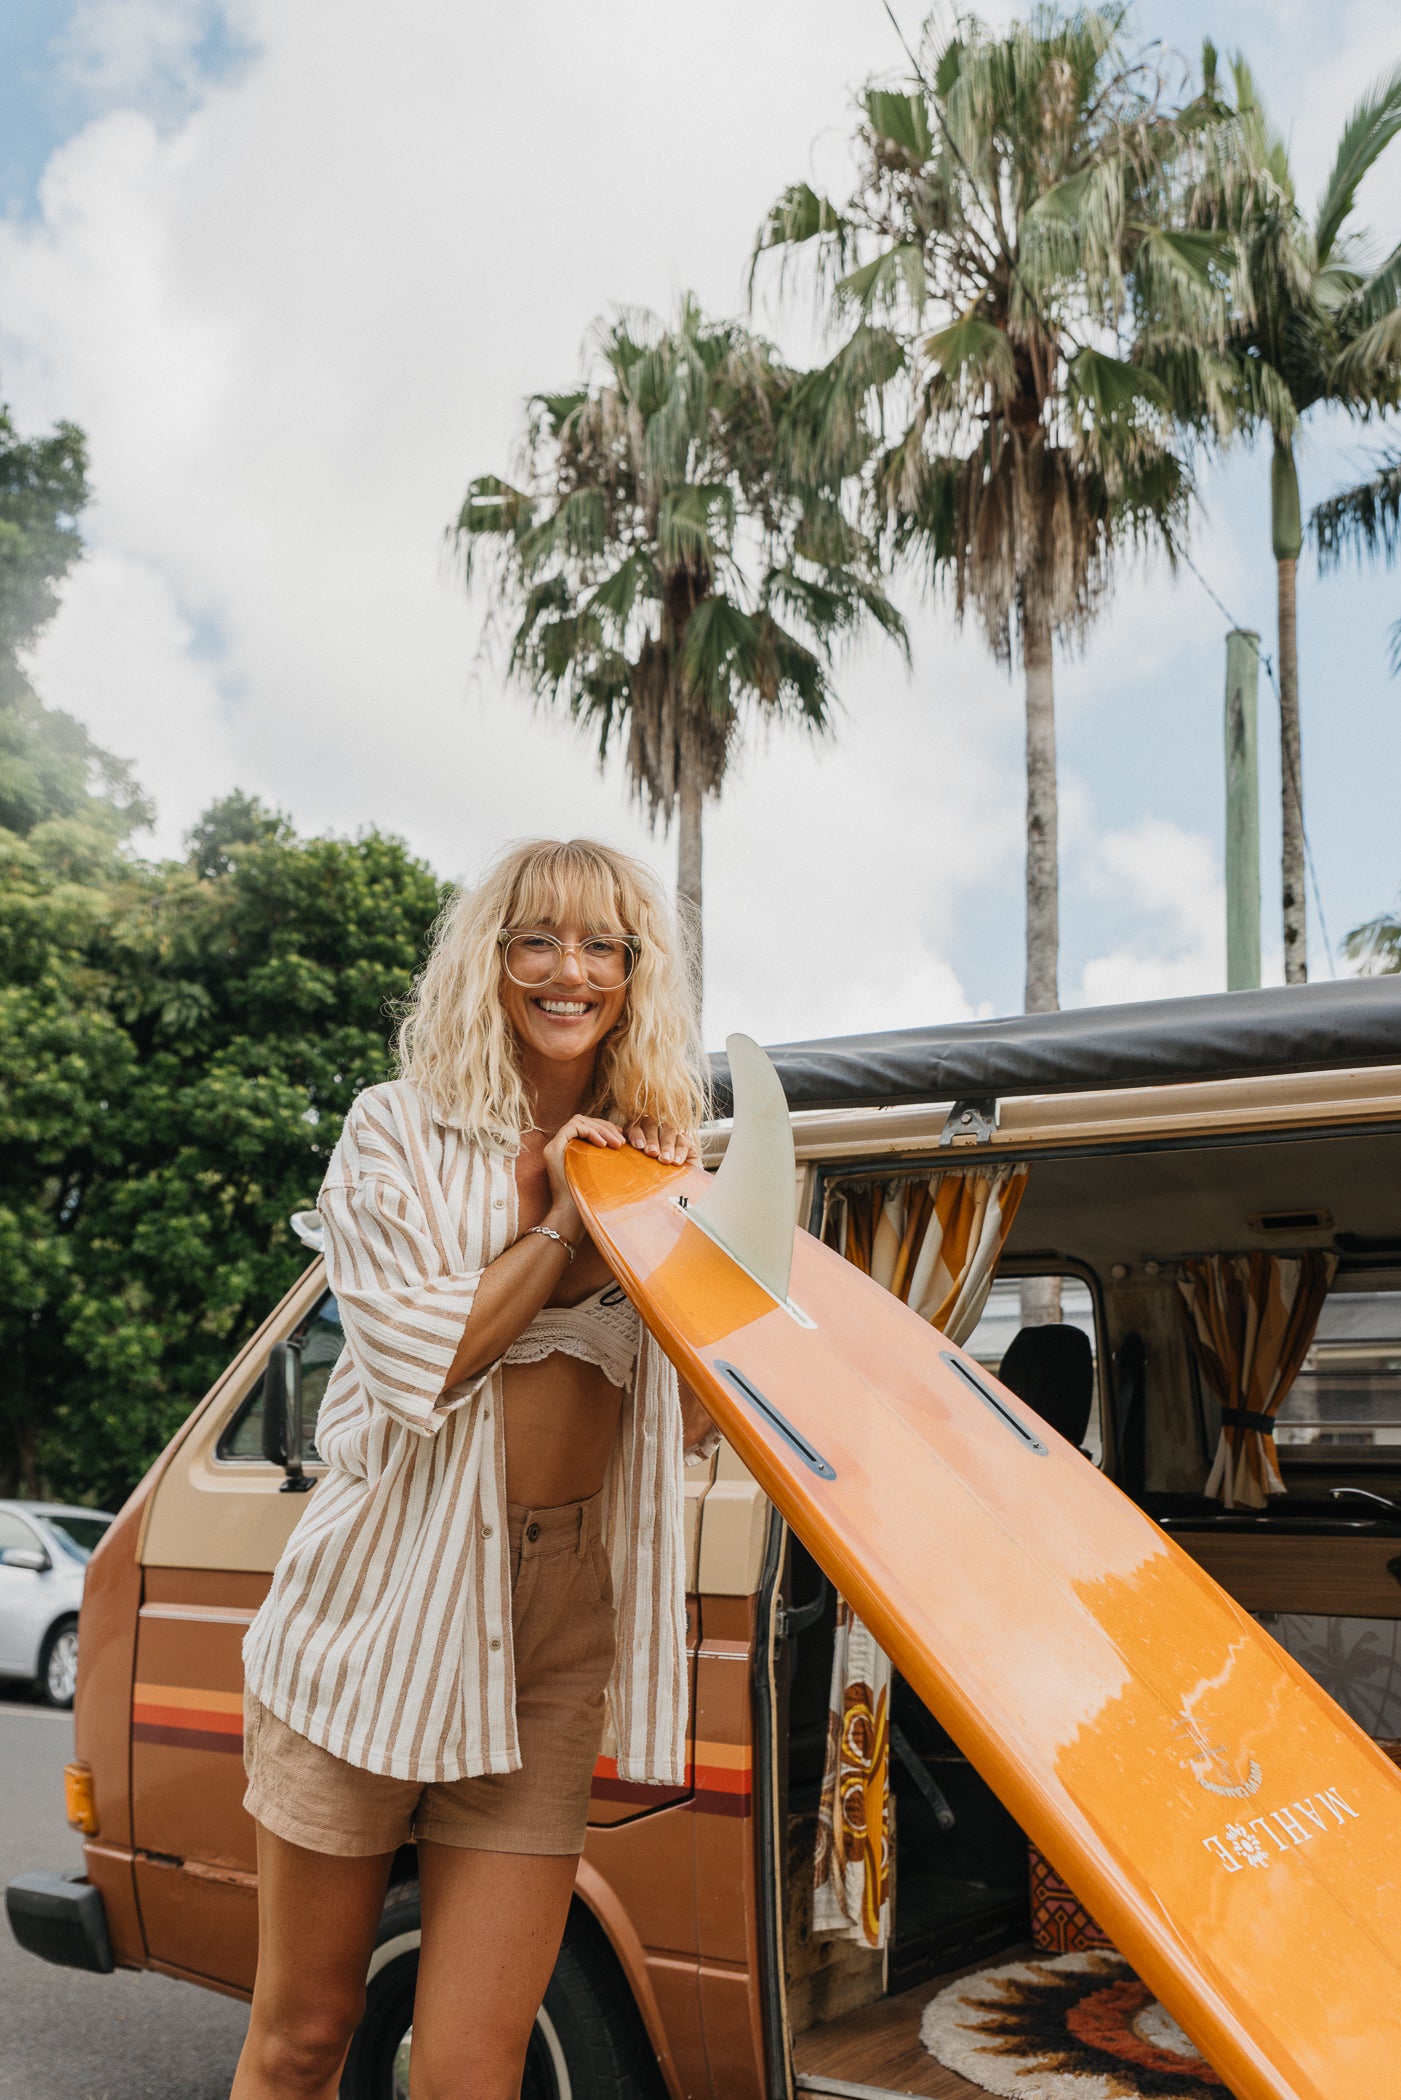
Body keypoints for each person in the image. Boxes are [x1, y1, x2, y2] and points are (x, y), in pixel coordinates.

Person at [231, 837, 716, 2100]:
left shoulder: (661, 1168)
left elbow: (693, 1420)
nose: (573, 971)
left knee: (472, 2068)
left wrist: (697, 1255)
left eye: (605, 945)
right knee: (303, 2036)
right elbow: (423, 1365)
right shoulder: (392, 1133)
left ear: (636, 971)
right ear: (488, 960)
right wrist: (563, 1223)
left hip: (553, 1623)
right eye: (537, 940)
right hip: (377, 1604)